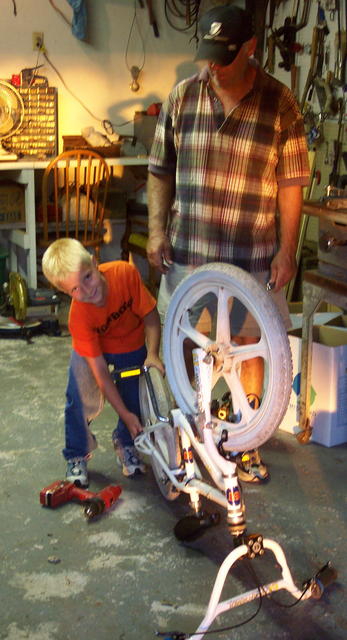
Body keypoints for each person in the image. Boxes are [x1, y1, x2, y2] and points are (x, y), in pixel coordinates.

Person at [146, 4, 310, 483]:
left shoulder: (280, 103)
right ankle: (196, 436)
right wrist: (156, 230)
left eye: (225, 56)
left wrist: (287, 250)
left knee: (252, 349)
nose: (213, 66)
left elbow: (292, 183)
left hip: (252, 257)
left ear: (251, 49)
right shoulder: (182, 97)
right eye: (208, 54)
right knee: (188, 345)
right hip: (189, 252)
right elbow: (159, 170)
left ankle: (246, 439)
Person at [42, 238, 164, 487]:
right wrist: (122, 413)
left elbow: (151, 316)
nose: (86, 291)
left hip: (128, 340)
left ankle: (126, 443)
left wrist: (152, 354)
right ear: (66, 293)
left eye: (87, 277)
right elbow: (100, 375)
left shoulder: (125, 273)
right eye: (75, 289)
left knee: (134, 397)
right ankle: (77, 453)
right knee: (79, 397)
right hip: (91, 350)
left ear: (95, 264)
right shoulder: (79, 316)